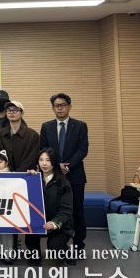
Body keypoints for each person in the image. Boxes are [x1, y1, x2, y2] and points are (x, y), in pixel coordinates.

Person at [40, 93, 88, 254]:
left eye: (63, 105)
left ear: (69, 106)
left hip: (75, 175)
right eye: (56, 105)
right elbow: (44, 149)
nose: (60, 108)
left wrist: (68, 165)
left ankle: (79, 246)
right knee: (57, 209)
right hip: (54, 176)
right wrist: (56, 165)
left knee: (77, 212)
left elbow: (83, 149)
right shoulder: (46, 126)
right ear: (53, 108)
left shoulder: (80, 125)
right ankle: (61, 243)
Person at [25, 148, 75, 266]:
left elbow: (66, 210)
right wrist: (27, 178)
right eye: (41, 160)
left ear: (54, 162)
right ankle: (36, 257)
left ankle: (67, 252)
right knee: (29, 241)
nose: (44, 163)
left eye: (48, 160)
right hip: (40, 223)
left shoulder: (63, 183)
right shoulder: (34, 180)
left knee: (54, 246)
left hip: (60, 225)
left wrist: (54, 223)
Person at [0, 101, 40, 172]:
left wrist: (17, 173)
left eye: (15, 110)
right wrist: (7, 170)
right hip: (5, 174)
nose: (11, 112)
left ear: (22, 113)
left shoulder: (33, 135)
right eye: (9, 110)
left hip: (25, 175)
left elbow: (32, 159)